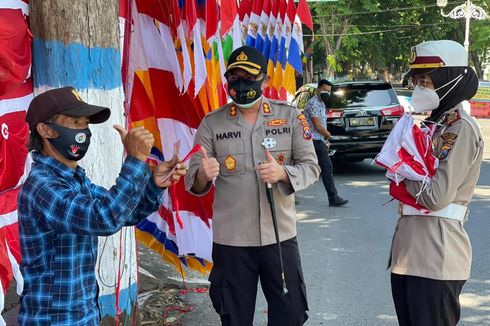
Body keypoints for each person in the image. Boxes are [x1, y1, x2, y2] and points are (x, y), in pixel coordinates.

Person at [18, 86, 186, 325]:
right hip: (53, 318)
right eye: (75, 122)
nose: (83, 131)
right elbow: (104, 218)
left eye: (85, 123)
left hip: (85, 313)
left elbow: (123, 212)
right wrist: (135, 160)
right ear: (45, 130)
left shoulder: (75, 179)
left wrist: (153, 185)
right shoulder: (42, 187)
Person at [184, 46, 320, 325]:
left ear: (265, 81)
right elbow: (193, 180)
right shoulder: (212, 124)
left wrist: (282, 172)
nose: (241, 84)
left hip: (279, 238)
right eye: (234, 78)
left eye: (248, 78)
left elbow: (312, 168)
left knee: (290, 314)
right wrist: (202, 175)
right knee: (234, 317)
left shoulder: (291, 117)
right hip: (232, 242)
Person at [389, 40, 484, 326]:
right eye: (416, 80)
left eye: (425, 81)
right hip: (408, 254)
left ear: (450, 80)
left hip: (436, 259)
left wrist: (402, 169)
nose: (419, 88)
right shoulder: (431, 126)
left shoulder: (460, 128)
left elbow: (435, 197)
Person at [303, 79, 348, 207]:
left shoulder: (321, 103)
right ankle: (333, 197)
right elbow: (317, 126)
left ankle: (333, 197)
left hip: (318, 140)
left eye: (329, 91)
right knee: (326, 168)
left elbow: (321, 124)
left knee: (309, 167)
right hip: (313, 140)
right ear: (318, 89)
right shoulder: (314, 104)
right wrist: (328, 135)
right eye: (324, 90)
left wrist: (325, 139)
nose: (327, 93)